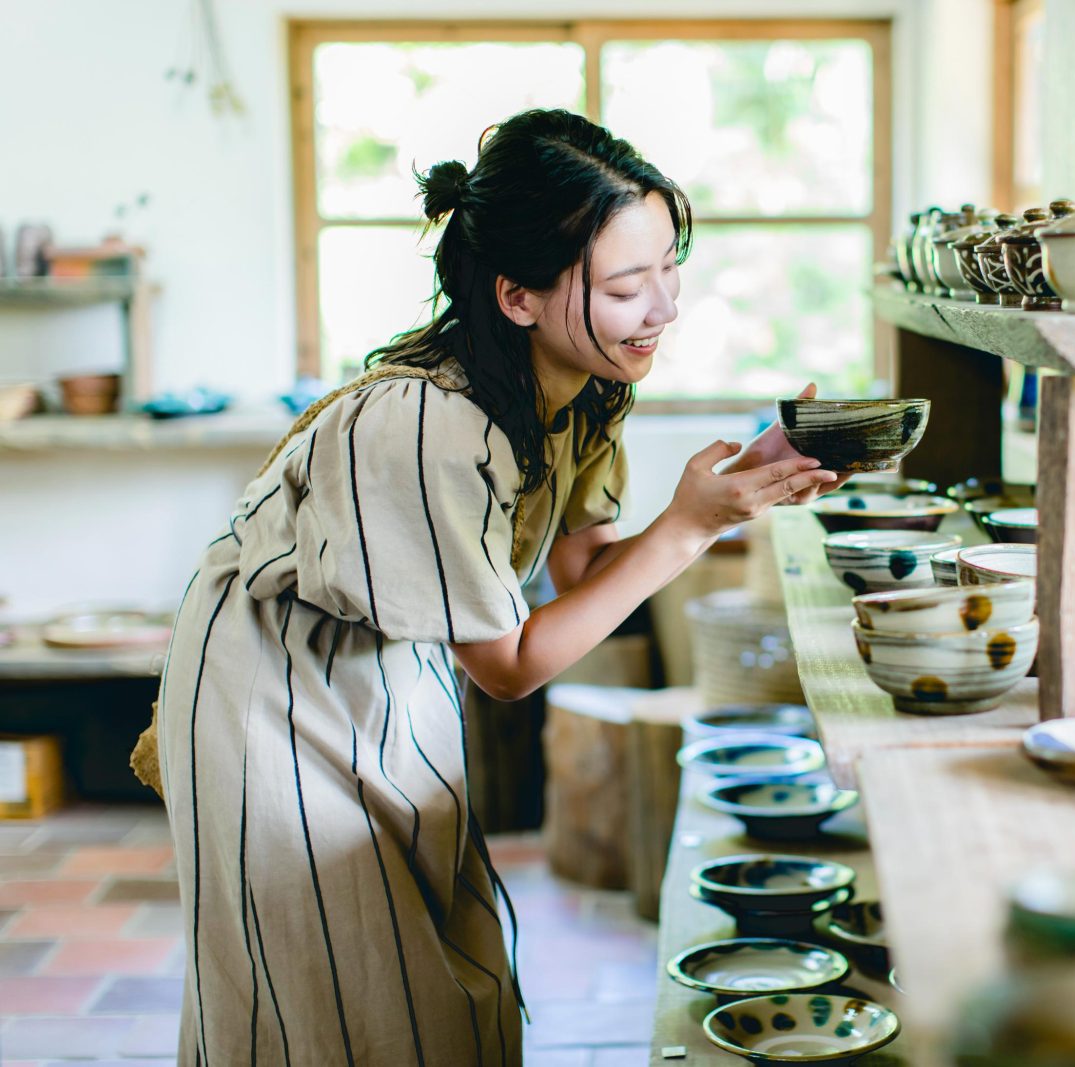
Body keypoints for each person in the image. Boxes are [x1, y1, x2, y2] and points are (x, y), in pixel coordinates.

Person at [147, 108, 839, 1065]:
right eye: (629, 286)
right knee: (332, 997)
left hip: (389, 665)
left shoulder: (583, 385)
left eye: (669, 271)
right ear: (517, 295)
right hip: (271, 686)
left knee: (443, 978)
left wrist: (740, 484)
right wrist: (687, 527)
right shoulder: (424, 423)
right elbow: (510, 667)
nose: (664, 308)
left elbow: (586, 576)